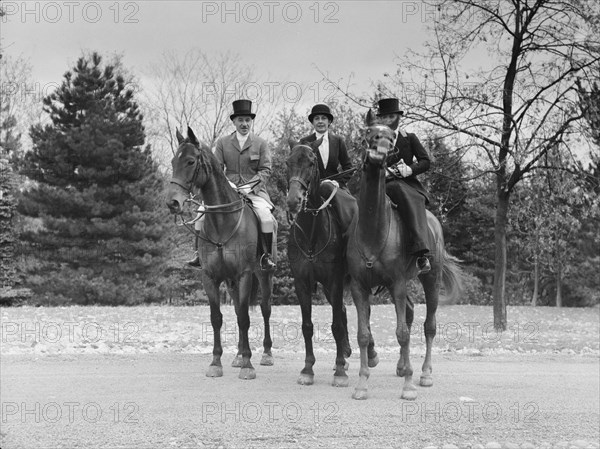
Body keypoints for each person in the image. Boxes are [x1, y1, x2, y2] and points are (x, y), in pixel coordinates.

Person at [187, 99, 276, 270]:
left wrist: (249, 186)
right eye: (241, 120)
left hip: (254, 192)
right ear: (234, 122)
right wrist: (228, 185)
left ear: (251, 121)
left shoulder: (260, 143)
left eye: (248, 120)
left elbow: (266, 170)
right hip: (227, 191)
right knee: (200, 213)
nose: (244, 124)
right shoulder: (223, 142)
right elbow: (216, 168)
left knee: (265, 217)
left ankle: (265, 256)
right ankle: (198, 254)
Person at [377, 97, 431, 273]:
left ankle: (420, 250)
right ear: (381, 120)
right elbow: (371, 164)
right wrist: (382, 172)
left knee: (401, 190)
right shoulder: (377, 141)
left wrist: (409, 169)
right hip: (381, 184)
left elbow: (425, 161)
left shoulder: (410, 138)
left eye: (392, 116)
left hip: (406, 183)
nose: (389, 120)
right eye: (385, 117)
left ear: (399, 117)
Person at [299, 104, 357, 237]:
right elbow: (301, 168)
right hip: (312, 188)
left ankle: (348, 238)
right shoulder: (305, 141)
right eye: (317, 118)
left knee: (352, 205)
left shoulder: (338, 141)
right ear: (312, 122)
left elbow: (348, 167)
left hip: (336, 186)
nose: (320, 121)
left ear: (329, 121)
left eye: (323, 118)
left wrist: (336, 181)